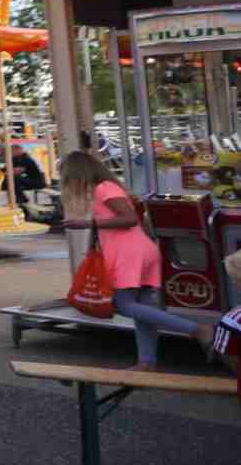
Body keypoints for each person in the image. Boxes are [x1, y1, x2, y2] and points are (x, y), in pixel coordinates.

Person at [59, 150, 213, 369]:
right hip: (139, 250)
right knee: (142, 310)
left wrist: (88, 224)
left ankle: (198, 329)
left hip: (129, 253)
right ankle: (146, 362)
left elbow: (128, 219)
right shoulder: (108, 187)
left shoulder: (104, 188)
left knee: (122, 304)